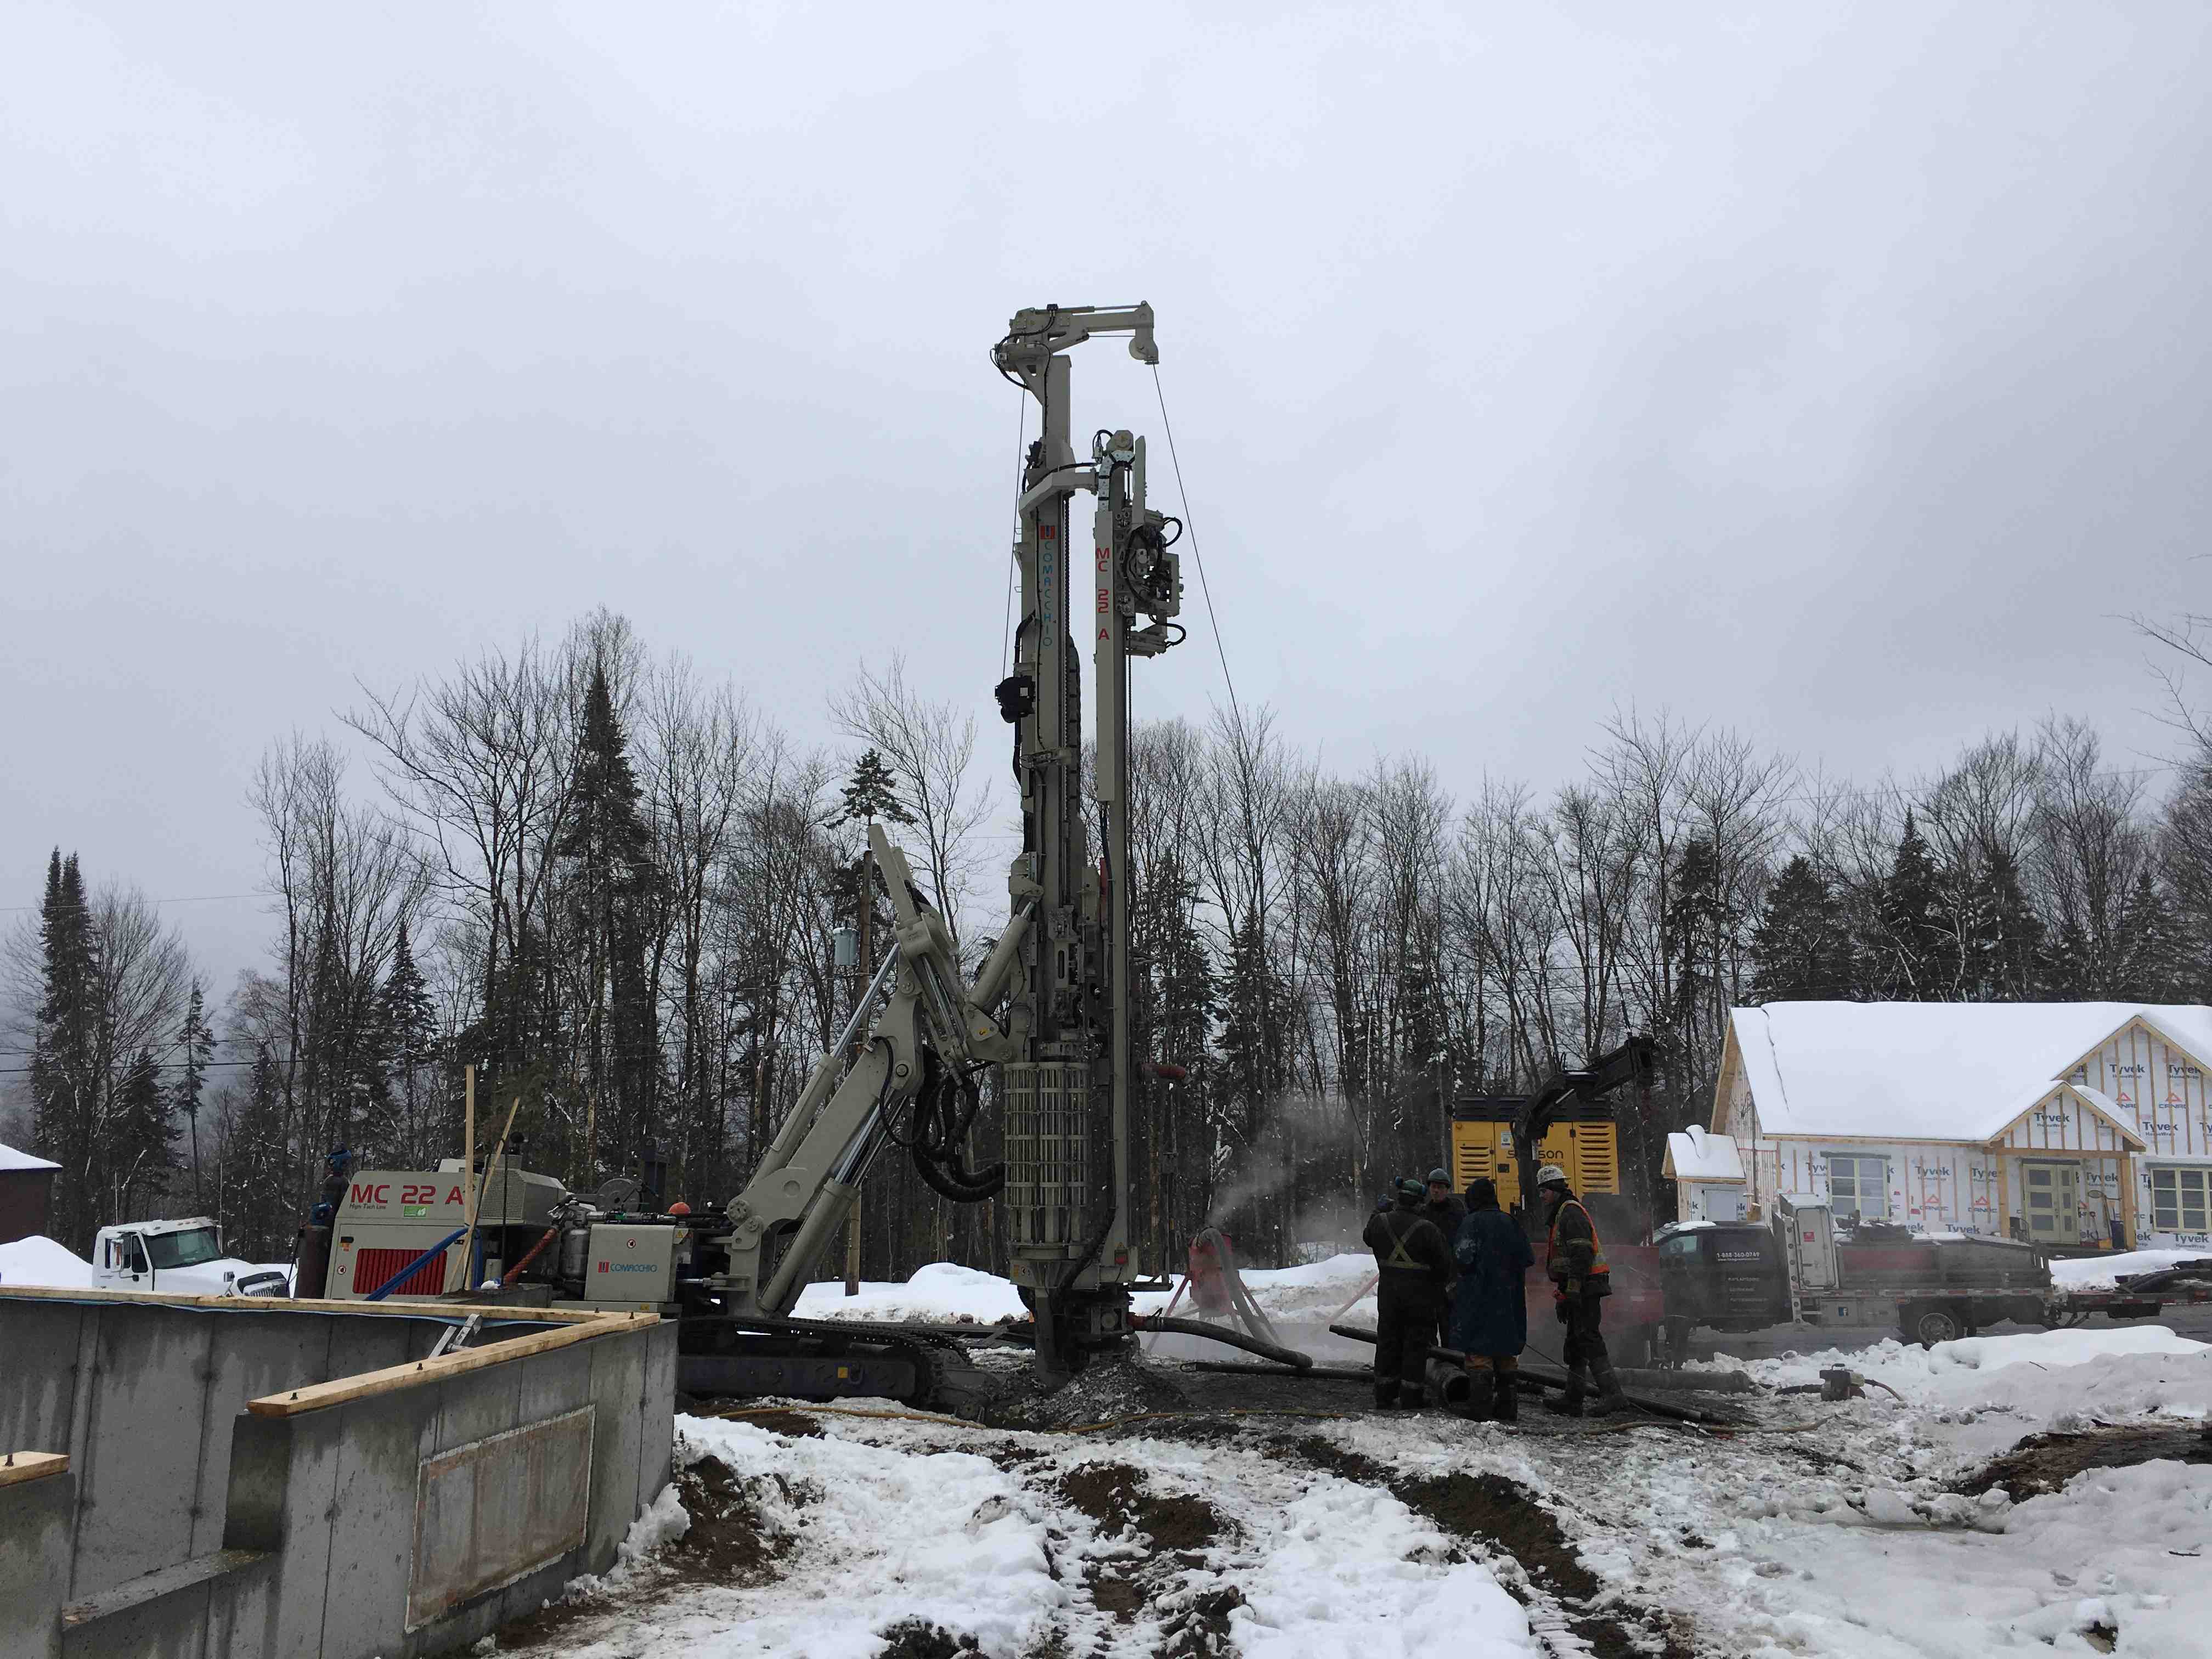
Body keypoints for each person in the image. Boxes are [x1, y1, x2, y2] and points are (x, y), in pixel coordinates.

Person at [1538, 1164, 1626, 1417]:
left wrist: (1573, 1290)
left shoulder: (1570, 1213)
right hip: (1580, 1286)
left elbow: (1581, 1254)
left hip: (1587, 1286)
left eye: (1544, 1190)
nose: (1541, 1196)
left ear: (1555, 1189)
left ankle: (1613, 1395)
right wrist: (1565, 1294)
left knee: (1588, 1337)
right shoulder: (1562, 1213)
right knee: (1576, 1342)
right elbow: (1566, 1262)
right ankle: (1573, 1399)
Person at [1448, 1177, 1534, 1421]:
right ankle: (1508, 1407)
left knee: (1479, 1354)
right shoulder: (1511, 1222)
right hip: (1509, 1299)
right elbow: (1528, 1258)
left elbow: (1463, 1258)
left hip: (1478, 1298)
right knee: (1506, 1351)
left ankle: (1480, 1407)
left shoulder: (1471, 1223)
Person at [1362, 1175, 1451, 1410]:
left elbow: (1367, 1236)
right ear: (1419, 1203)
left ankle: (1384, 1394)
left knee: (1387, 1342)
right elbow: (1444, 1267)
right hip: (1419, 1298)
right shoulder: (1428, 1230)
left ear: (1399, 1200)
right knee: (1415, 1346)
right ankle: (1411, 1397)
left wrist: (1377, 1211)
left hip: (1389, 1296)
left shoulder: (1380, 1222)